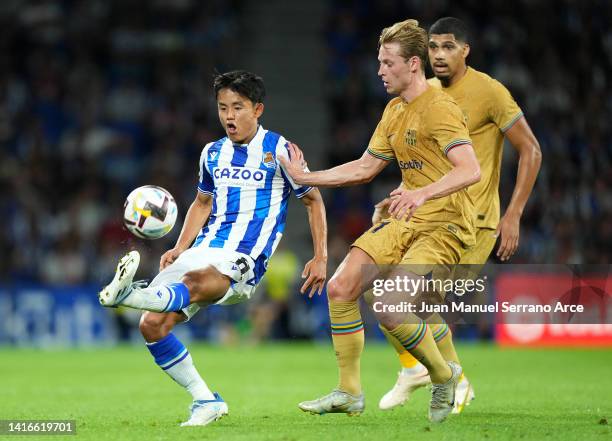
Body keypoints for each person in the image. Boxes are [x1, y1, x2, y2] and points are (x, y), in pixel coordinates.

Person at [98, 70, 328, 427]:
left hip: (246, 256)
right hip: (205, 246)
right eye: (223, 108)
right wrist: (179, 246)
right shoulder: (212, 153)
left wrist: (320, 256)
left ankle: (129, 295)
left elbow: (313, 201)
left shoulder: (279, 150)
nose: (229, 116)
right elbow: (202, 204)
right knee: (151, 325)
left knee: (199, 281)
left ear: (258, 109)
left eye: (238, 107)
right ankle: (205, 400)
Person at [280, 19, 480, 423]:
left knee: (391, 305)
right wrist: (305, 177)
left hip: (445, 224)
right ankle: (349, 392)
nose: (379, 70)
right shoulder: (394, 110)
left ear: (412, 65)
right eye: (379, 61)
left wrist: (422, 192)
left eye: (387, 63)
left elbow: (470, 169)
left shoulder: (440, 108)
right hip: (407, 218)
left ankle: (443, 375)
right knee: (341, 287)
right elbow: (366, 166)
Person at [373, 17, 542, 413]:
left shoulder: (490, 92)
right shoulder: (424, 91)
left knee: (415, 299)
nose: (439, 55)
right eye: (433, 47)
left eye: (448, 47)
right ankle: (422, 369)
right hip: (424, 213)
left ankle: (448, 377)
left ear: (466, 50)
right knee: (383, 289)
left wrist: (513, 214)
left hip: (474, 217)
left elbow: (531, 150)